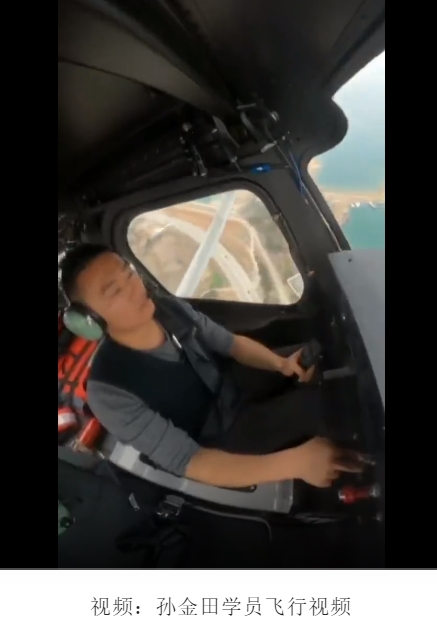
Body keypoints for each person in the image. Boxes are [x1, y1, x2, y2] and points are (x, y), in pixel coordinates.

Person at [60, 244, 362, 489]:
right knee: (330, 405)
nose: (135, 288)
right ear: (89, 321)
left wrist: (280, 364)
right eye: (115, 291)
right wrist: (298, 463)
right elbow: (192, 462)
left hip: (230, 385)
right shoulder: (109, 390)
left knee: (312, 352)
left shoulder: (167, 308)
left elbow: (231, 344)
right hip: (220, 438)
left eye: (129, 274)